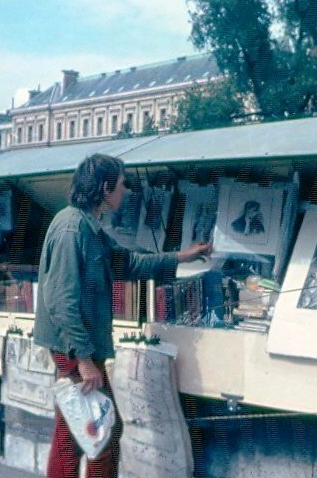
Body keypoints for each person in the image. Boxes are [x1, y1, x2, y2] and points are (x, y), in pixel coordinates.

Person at [33, 153, 212, 478]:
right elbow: (61, 300)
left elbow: (127, 264)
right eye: (121, 184)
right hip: (75, 350)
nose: (126, 191)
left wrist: (182, 256)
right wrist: (85, 360)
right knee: (98, 433)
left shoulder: (87, 227)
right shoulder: (73, 229)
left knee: (75, 432)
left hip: (79, 348)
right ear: (105, 188)